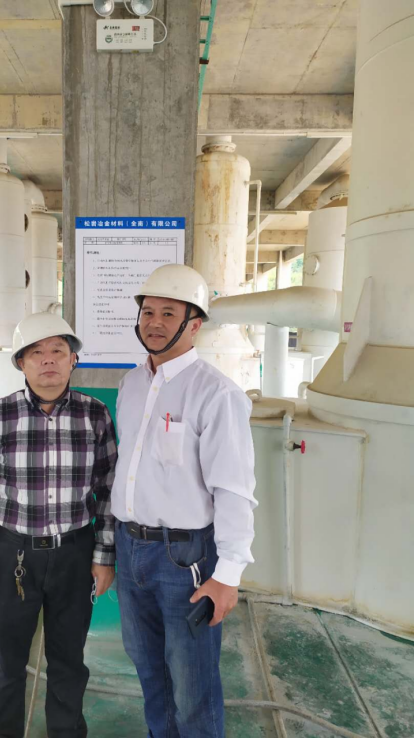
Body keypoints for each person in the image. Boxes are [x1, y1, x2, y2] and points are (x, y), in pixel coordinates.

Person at [112, 264, 257, 738]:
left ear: (194, 325)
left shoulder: (217, 394)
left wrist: (228, 575)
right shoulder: (131, 385)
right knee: (149, 671)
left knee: (193, 684)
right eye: (148, 312)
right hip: (130, 548)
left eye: (168, 313)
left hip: (185, 558)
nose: (154, 322)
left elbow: (233, 488)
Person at [0, 312, 117, 738]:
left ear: (73, 360)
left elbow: (109, 490)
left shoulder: (95, 415)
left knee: (68, 660)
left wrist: (104, 556)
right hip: (12, 554)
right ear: (21, 363)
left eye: (58, 351)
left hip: (75, 555)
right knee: (8, 661)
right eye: (36, 353)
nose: (48, 360)